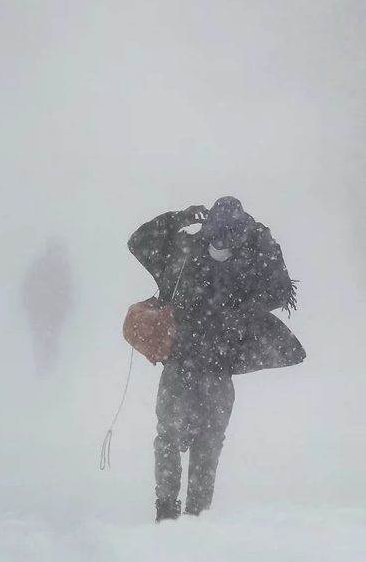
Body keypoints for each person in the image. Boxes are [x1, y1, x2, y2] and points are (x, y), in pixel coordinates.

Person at [127, 196, 305, 522]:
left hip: (185, 370)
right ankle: (194, 516)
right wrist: (259, 235)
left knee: (173, 439)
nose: (222, 242)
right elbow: (279, 290)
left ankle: (170, 513)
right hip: (210, 372)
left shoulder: (183, 255)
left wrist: (178, 220)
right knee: (203, 444)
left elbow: (140, 242)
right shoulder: (246, 266)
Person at [20, 238, 73, 375]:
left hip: (44, 311)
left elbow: (27, 287)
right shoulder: (60, 268)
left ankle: (45, 366)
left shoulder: (41, 265)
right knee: (49, 339)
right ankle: (46, 366)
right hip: (49, 312)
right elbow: (67, 291)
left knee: (45, 339)